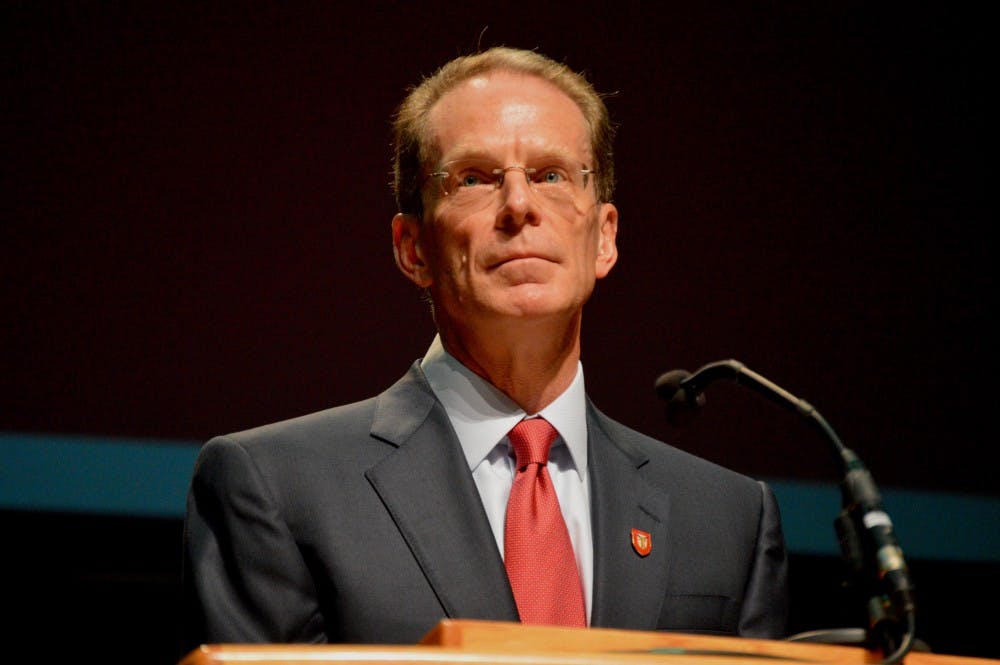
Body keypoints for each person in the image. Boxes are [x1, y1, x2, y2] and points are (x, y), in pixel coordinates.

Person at [181, 46, 788, 652]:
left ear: (604, 237)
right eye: (474, 178)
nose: (520, 206)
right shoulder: (277, 489)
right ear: (412, 247)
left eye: (551, 175)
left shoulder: (728, 517)